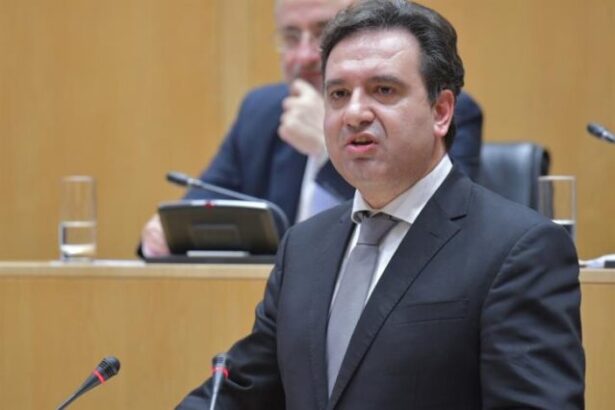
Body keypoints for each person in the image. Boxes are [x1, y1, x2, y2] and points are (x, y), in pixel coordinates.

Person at [175, 0, 584, 408]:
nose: (354, 113)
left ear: (441, 111)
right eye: (338, 94)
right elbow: (241, 392)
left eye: (383, 90)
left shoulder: (520, 249)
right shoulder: (303, 246)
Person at [139, 0, 483, 258]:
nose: (303, 56)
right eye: (291, 37)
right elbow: (198, 211)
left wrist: (329, 147)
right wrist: (164, 233)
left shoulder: (438, 110)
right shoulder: (263, 112)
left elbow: (442, 233)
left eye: (322, 33)